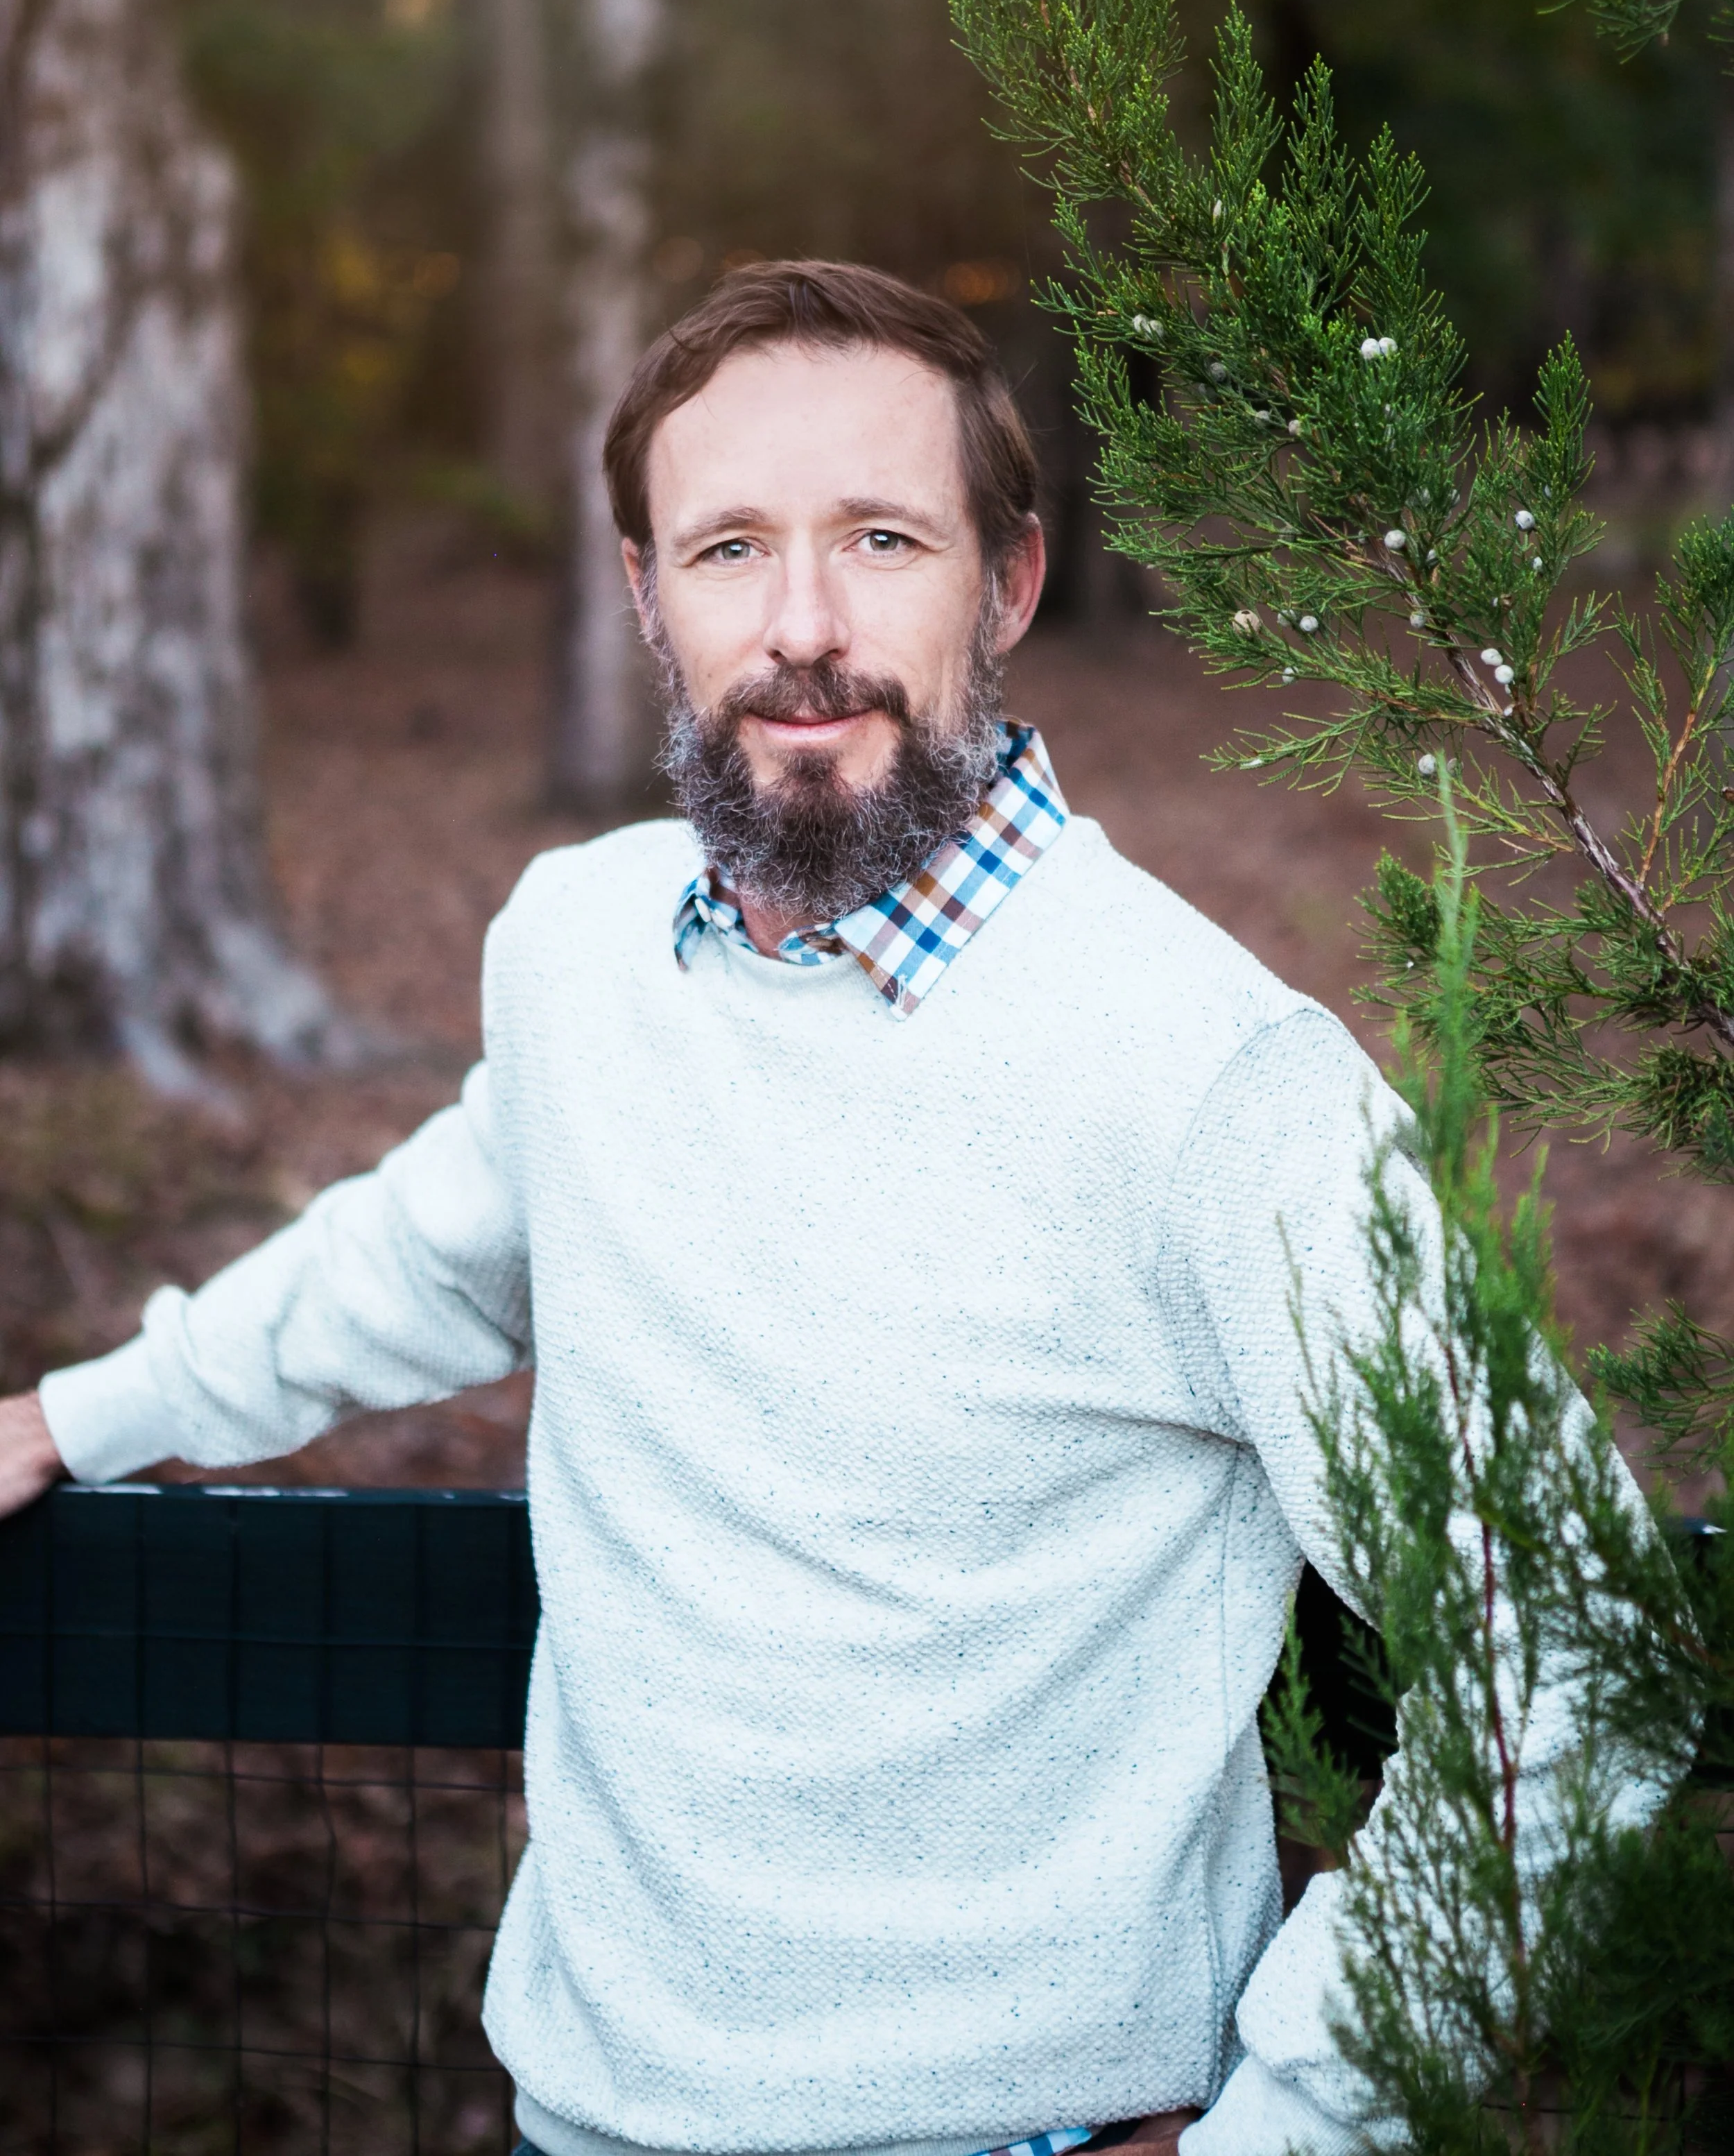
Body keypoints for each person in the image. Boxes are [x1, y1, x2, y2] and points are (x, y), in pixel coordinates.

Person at [0, 262, 1574, 2156]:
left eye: (881, 538)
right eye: (730, 546)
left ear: (1004, 582)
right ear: (647, 594)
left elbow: (1556, 1651)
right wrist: (77, 1415)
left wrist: (1289, 2134)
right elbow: (416, 1258)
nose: (802, 627)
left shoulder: (1210, 1075)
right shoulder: (577, 950)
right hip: (585, 2111)